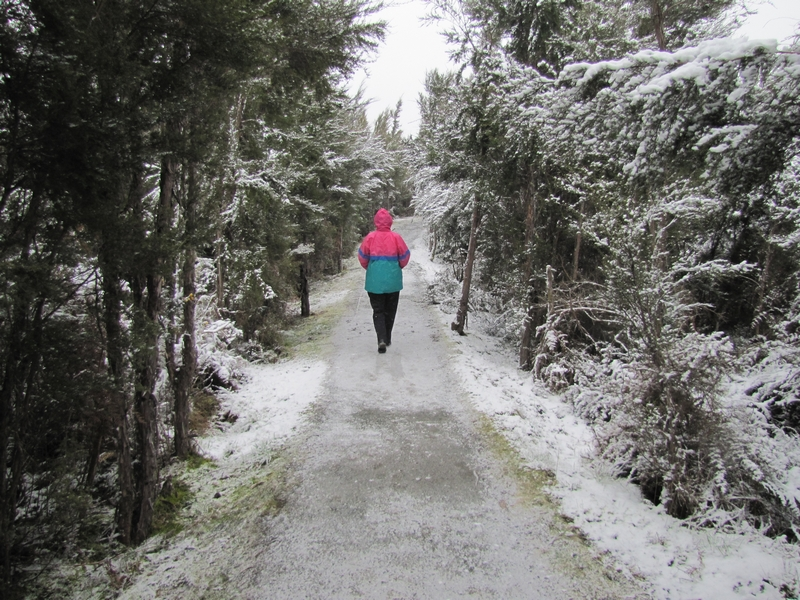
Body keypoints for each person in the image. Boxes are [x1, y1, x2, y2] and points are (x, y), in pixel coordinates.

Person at [358, 208, 410, 353]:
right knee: (390, 310)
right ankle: (387, 338)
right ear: (390, 221)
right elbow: (405, 256)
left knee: (378, 310)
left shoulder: (370, 237)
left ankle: (381, 338)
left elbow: (362, 257)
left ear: (376, 222)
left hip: (374, 282)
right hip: (393, 281)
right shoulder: (396, 238)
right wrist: (397, 266)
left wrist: (371, 268)